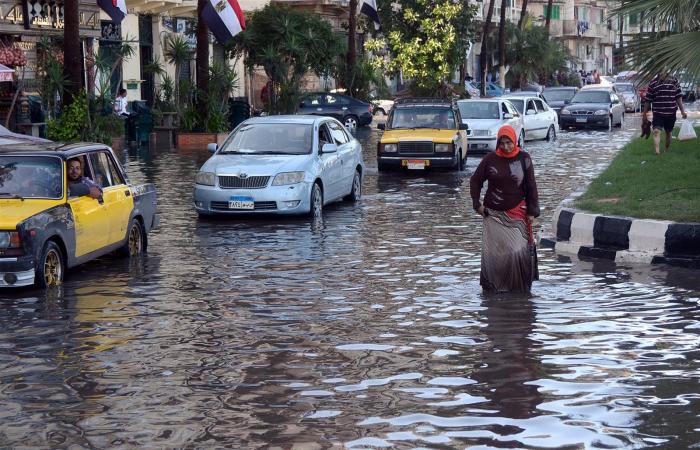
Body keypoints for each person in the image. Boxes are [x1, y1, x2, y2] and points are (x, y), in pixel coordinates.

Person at [470, 125, 540, 293]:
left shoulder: (524, 159)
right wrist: (477, 205)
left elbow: (531, 186)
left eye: (509, 142)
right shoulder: (490, 159)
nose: (506, 147)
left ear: (514, 141)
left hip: (517, 213)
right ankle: (495, 288)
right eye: (502, 143)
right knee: (496, 252)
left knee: (516, 250)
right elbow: (475, 181)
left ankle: (517, 288)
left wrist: (532, 211)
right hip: (492, 215)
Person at [643, 70, 688, 155]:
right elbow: (648, 100)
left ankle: (666, 150)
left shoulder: (674, 81)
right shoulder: (653, 83)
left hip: (671, 113)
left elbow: (678, 97)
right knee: (656, 131)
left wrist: (682, 111)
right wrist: (644, 114)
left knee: (668, 132)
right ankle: (657, 151)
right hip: (658, 113)